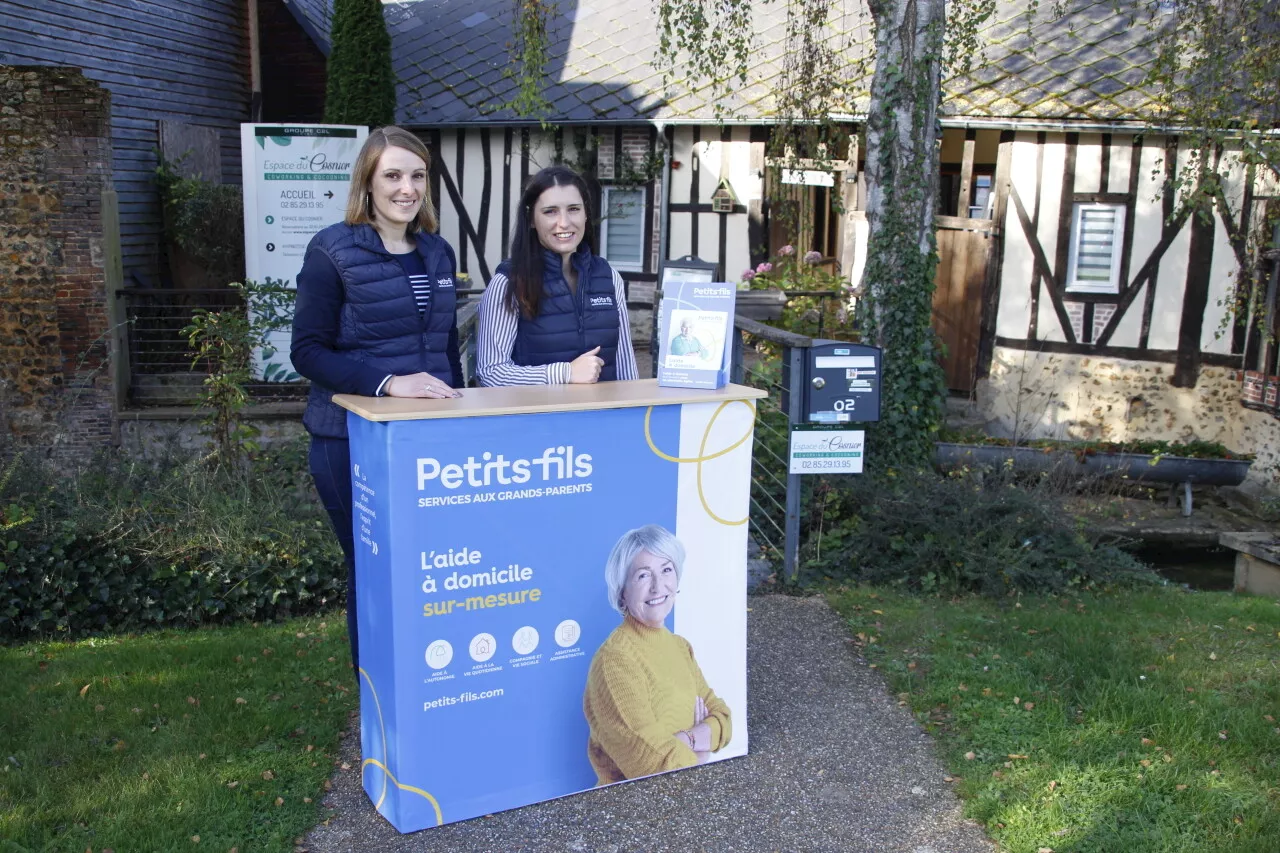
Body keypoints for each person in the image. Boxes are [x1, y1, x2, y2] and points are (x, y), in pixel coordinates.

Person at [290, 126, 463, 672]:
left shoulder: (437, 252)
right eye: (393, 175)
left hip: (427, 441)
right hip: (348, 440)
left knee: (429, 567)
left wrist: (458, 408)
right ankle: (379, 692)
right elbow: (307, 351)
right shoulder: (332, 250)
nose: (406, 188)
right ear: (367, 180)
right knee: (372, 566)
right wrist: (389, 383)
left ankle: (426, 680)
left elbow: (444, 348)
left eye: (416, 176)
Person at [582, 525, 732, 785]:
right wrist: (701, 753)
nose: (658, 587)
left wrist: (686, 740)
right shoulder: (615, 660)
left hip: (684, 795)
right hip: (632, 810)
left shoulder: (678, 646)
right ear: (622, 591)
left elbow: (724, 720)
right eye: (643, 575)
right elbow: (652, 766)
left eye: (666, 570)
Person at [476, 165, 638, 386]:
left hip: (602, 419)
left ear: (585, 213)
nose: (564, 222)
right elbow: (490, 373)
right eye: (550, 211)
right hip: (540, 420)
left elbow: (625, 368)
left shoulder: (608, 277)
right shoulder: (508, 283)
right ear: (532, 219)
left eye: (573, 209)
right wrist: (565, 373)